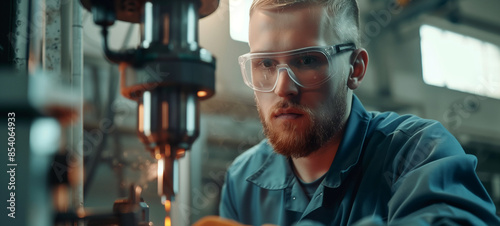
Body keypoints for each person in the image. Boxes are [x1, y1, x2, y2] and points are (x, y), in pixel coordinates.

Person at [218, 0, 500, 225]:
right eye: (265, 64)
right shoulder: (242, 180)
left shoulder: (419, 152)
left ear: (355, 69)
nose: (282, 88)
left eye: (307, 60)